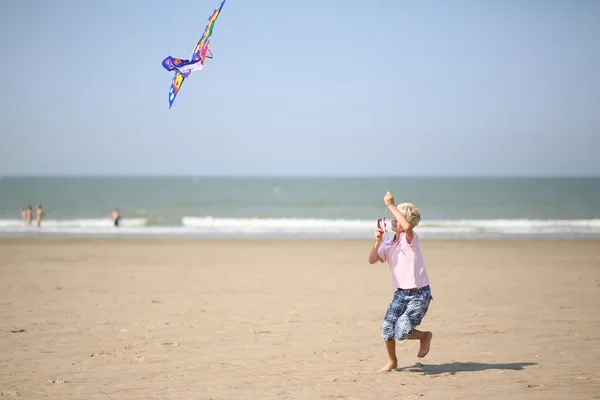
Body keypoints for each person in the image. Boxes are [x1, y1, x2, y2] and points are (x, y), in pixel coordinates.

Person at [368, 191, 433, 372]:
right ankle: (392, 362)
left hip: (419, 293)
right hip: (401, 293)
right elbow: (372, 259)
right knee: (387, 329)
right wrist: (377, 242)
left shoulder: (410, 238)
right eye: (394, 216)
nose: (394, 219)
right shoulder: (390, 242)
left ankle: (425, 336)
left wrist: (390, 205)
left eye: (399, 217)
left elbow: (407, 227)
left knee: (402, 331)